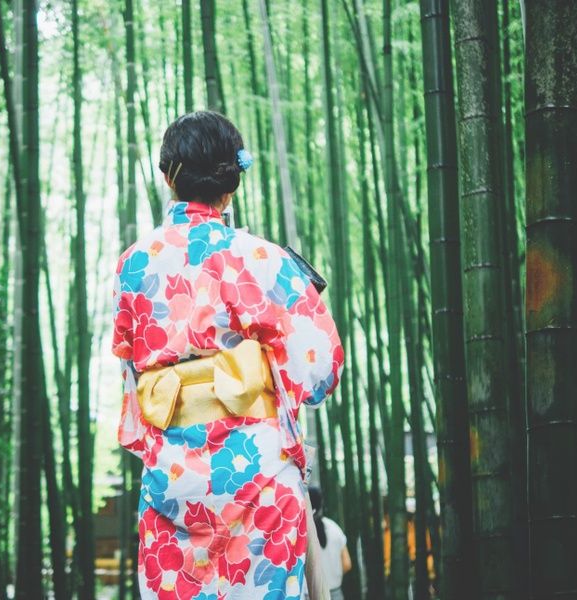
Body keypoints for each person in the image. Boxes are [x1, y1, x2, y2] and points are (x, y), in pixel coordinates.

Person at [111, 111, 344, 599]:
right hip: (258, 473)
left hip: (171, 479)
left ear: (167, 175)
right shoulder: (262, 258)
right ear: (232, 181)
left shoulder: (132, 264)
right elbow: (321, 368)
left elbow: (132, 372)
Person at [307, 486, 352, 599]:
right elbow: (347, 564)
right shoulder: (334, 528)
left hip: (311, 595)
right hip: (335, 594)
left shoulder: (300, 532)